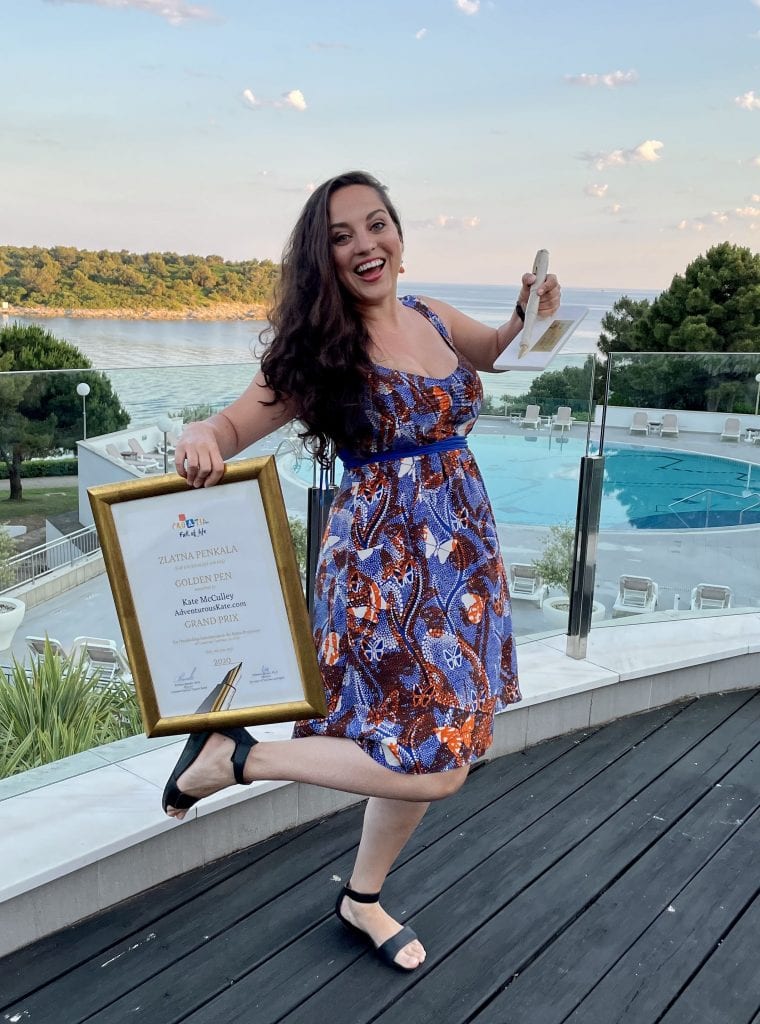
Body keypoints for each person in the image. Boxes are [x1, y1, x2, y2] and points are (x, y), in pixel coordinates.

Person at [162, 170, 561, 971]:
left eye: (375, 225)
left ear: (399, 235)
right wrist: (204, 434)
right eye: (342, 236)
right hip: (386, 572)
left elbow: (497, 355)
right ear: (324, 257)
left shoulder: (428, 312)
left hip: (461, 561)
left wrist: (529, 314)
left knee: (422, 738)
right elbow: (237, 418)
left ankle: (363, 898)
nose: (364, 245)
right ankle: (239, 758)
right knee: (439, 760)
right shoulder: (324, 349)